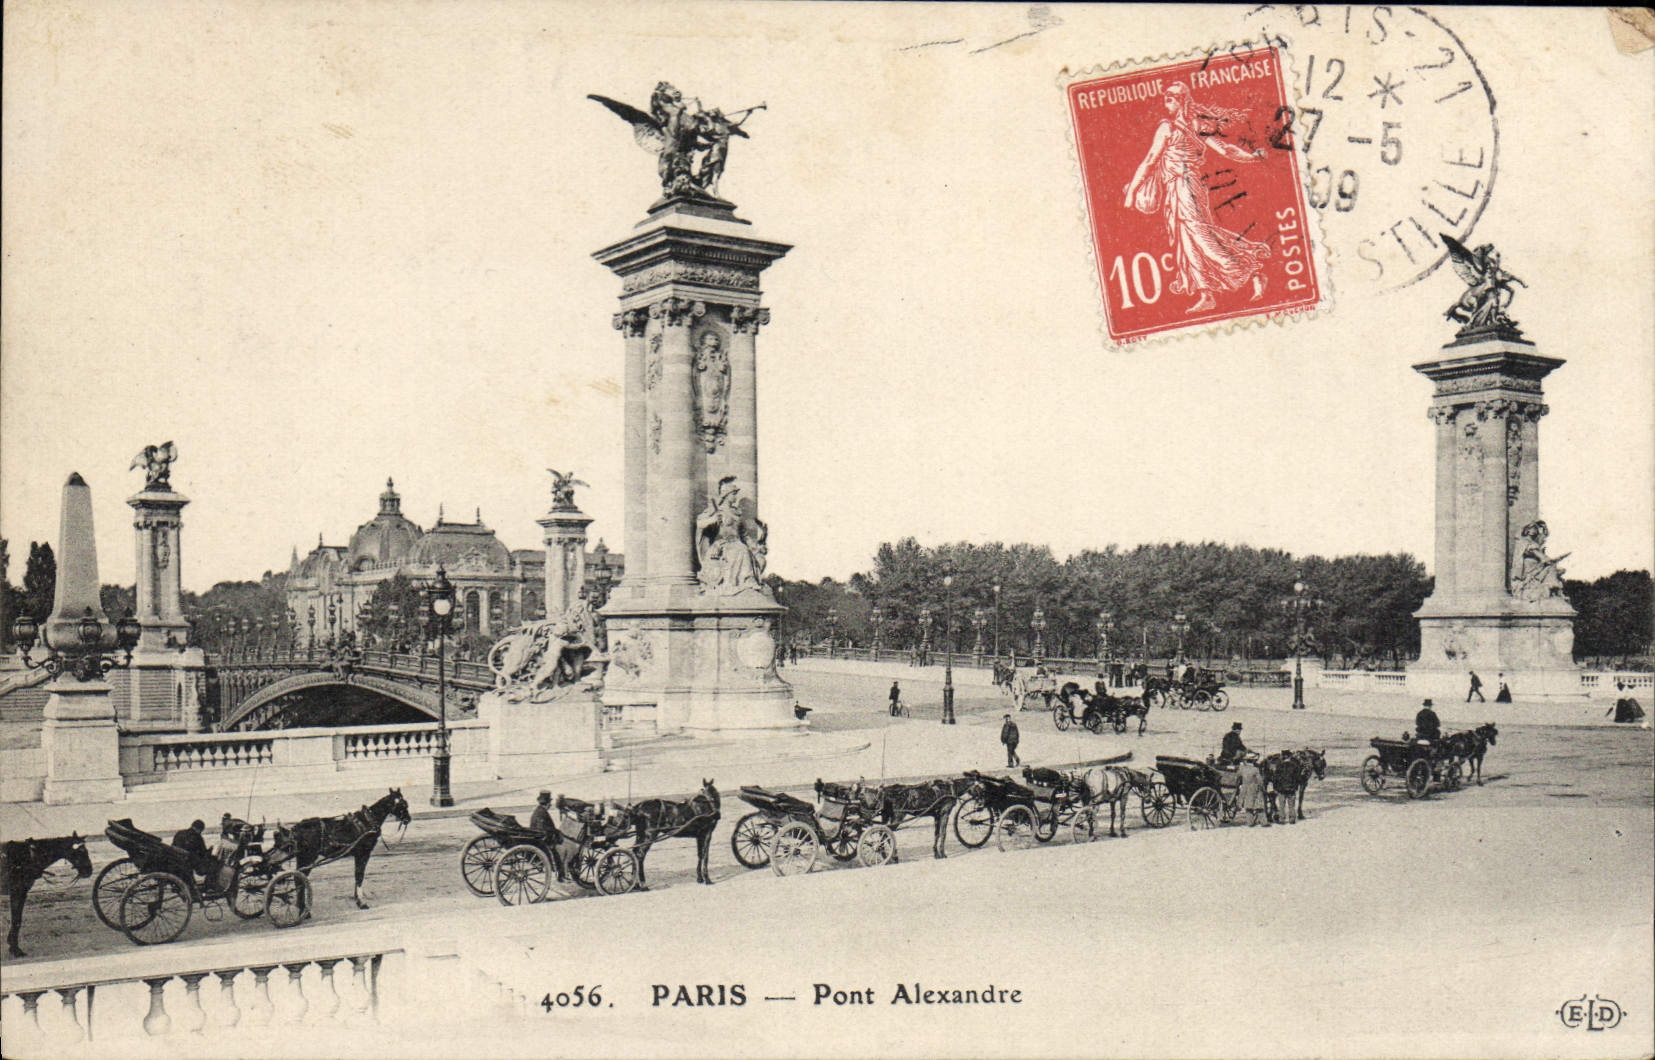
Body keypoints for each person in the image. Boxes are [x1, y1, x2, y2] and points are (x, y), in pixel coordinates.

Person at [1122, 82, 1271, 313]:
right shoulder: (1196, 126)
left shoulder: (1170, 128)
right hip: (1181, 189)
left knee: (1200, 236)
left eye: (1170, 99)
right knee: (1188, 239)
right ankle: (1206, 294)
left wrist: (1132, 191)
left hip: (1185, 187)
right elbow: (1226, 150)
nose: (1166, 104)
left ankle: (1251, 272)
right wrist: (1252, 157)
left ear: (1181, 100)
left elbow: (1151, 160)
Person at [1238, 757, 1268, 827]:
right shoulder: (1255, 769)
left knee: (1248, 806)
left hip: (1245, 788)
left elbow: (1238, 778)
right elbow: (1260, 780)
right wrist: (1263, 788)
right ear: (1253, 761)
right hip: (1255, 788)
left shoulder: (1242, 769)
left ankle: (1250, 822)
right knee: (1259, 806)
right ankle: (1264, 822)